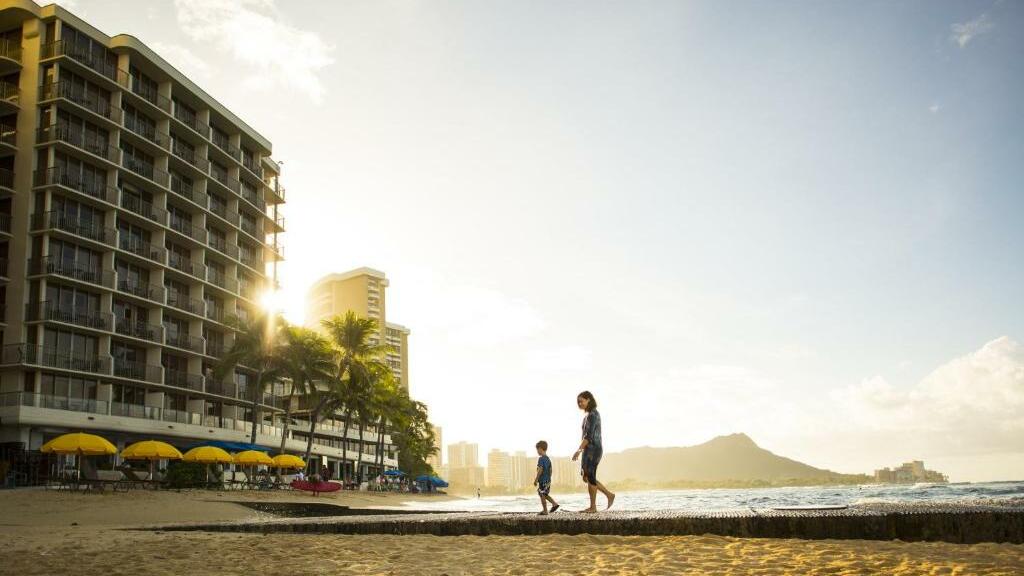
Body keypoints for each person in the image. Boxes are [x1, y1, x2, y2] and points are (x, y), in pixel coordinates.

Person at [572, 390, 615, 512]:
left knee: (590, 476)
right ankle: (609, 495)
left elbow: (589, 436)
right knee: (586, 476)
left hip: (594, 449)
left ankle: (593, 507)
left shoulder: (593, 415)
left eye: (581, 401)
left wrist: (578, 450)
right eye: (578, 402)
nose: (579, 404)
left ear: (588, 400)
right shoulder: (587, 416)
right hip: (588, 449)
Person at [533, 440, 560, 515]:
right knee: (545, 494)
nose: (537, 451)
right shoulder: (548, 459)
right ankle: (554, 504)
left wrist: (536, 479)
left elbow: (540, 470)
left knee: (542, 495)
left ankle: (545, 510)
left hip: (542, 480)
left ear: (540, 449)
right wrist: (549, 479)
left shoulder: (541, 459)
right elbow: (551, 470)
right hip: (548, 480)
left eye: (537, 450)